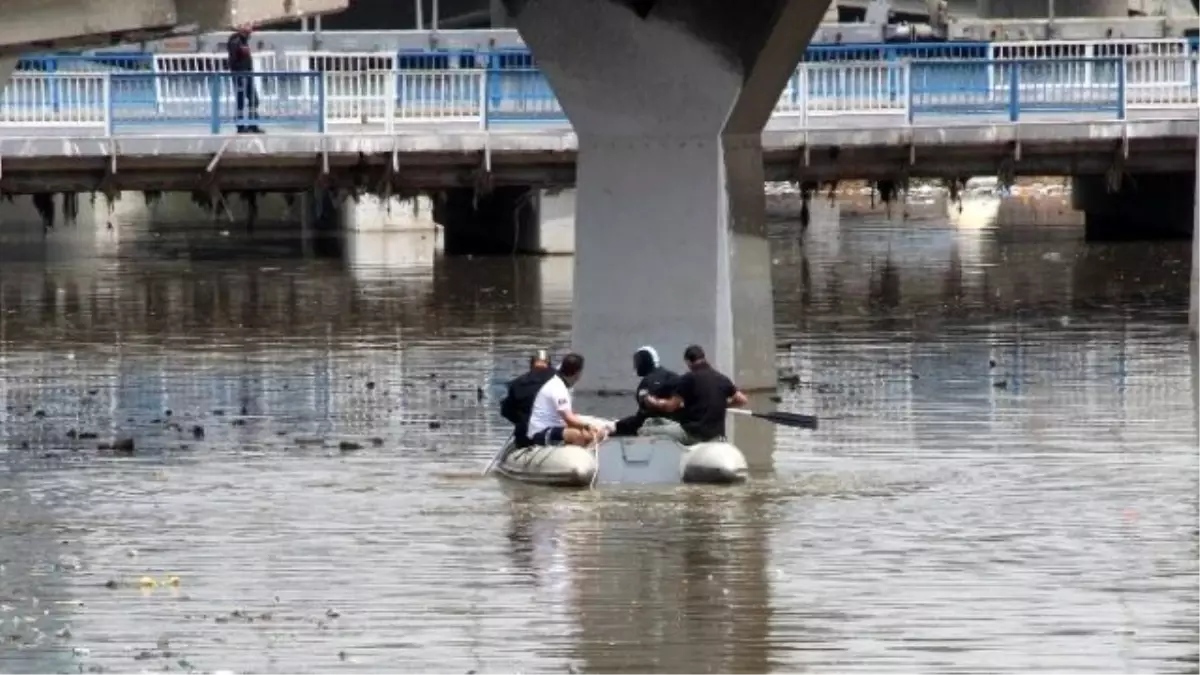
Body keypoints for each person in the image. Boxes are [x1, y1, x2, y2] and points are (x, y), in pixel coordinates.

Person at [643, 344, 748, 444]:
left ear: (688, 362)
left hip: (694, 434)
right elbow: (742, 400)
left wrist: (652, 401)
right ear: (704, 357)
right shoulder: (722, 378)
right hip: (717, 435)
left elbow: (670, 406)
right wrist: (723, 405)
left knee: (646, 430)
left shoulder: (688, 379)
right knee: (656, 423)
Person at [526, 352, 605, 447]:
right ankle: (577, 455)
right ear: (577, 373)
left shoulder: (560, 381)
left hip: (556, 426)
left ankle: (585, 451)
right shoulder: (558, 388)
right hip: (541, 431)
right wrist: (587, 426)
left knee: (598, 431)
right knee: (580, 435)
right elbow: (569, 419)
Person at [610, 345, 679, 437]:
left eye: (637, 362)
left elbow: (645, 415)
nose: (635, 367)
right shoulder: (672, 375)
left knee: (619, 427)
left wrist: (619, 425)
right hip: (677, 422)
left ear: (645, 362)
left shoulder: (647, 382)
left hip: (657, 424)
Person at [499, 349, 556, 448]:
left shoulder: (517, 383)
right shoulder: (558, 383)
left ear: (531, 365)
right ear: (549, 365)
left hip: (525, 436)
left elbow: (506, 411)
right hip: (552, 435)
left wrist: (521, 421)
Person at [227, 24, 262, 134]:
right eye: (248, 31)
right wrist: (237, 73)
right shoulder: (236, 41)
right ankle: (241, 126)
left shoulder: (242, 41)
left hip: (247, 74)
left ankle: (252, 124)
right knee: (241, 101)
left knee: (253, 100)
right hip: (240, 75)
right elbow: (233, 60)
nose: (250, 33)